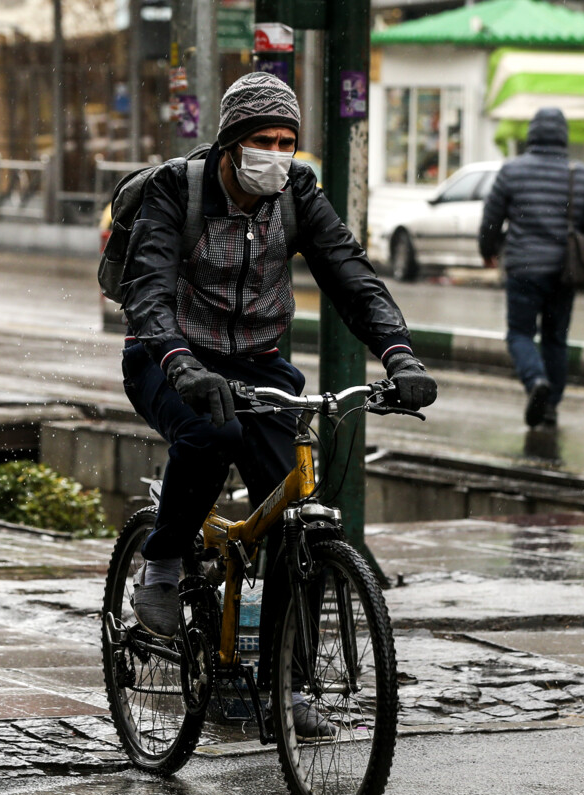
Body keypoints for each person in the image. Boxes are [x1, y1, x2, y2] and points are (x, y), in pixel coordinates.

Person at [119, 72, 437, 733]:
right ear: (232, 144)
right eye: (263, 139)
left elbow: (352, 277)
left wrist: (398, 352)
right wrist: (180, 364)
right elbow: (147, 289)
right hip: (166, 356)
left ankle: (286, 689)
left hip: (258, 367)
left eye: (287, 140)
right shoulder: (177, 189)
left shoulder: (297, 194)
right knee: (211, 436)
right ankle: (165, 554)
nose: (277, 152)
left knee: (298, 510)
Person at [478, 107, 584, 429]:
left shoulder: (512, 171)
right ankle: (550, 407)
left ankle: (535, 381)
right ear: (563, 136)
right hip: (564, 271)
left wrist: (487, 250)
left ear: (532, 134)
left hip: (523, 268)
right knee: (555, 339)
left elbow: (492, 218)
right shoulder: (580, 174)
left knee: (520, 333)